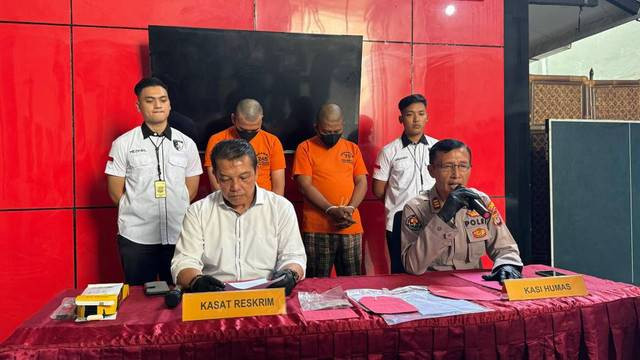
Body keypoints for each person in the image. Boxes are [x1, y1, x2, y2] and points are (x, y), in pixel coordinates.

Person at [171, 139, 305, 295]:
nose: (235, 187)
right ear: (215, 175)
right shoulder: (198, 211)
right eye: (226, 179)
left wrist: (290, 274)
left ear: (256, 171)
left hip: (267, 295)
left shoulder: (281, 208)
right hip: (215, 296)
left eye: (244, 177)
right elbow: (183, 262)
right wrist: (196, 280)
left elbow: (294, 256)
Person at [105, 77, 202, 285]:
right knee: (139, 301)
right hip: (136, 238)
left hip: (178, 235)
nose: (158, 105)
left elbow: (190, 191)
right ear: (138, 106)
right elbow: (115, 193)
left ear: (169, 104)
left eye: (163, 99)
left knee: (181, 296)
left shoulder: (186, 144)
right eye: (150, 100)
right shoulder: (123, 144)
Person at [401, 139, 523, 283]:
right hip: (432, 289)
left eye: (463, 166)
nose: (456, 174)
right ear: (431, 171)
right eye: (447, 166)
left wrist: (507, 265)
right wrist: (443, 216)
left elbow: (506, 248)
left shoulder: (481, 201)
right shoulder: (415, 207)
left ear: (470, 169)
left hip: (474, 287)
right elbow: (413, 266)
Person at [292, 104, 368, 277]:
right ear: (316, 127)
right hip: (317, 227)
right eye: (327, 132)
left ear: (342, 125)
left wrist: (350, 208)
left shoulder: (352, 149)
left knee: (352, 281)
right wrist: (330, 209)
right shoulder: (305, 148)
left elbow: (362, 182)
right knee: (316, 284)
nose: (332, 135)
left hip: (350, 225)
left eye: (337, 130)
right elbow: (304, 185)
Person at [372, 94, 438, 273]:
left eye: (421, 113)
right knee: (401, 272)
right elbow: (378, 190)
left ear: (427, 116)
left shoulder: (438, 148)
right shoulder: (389, 151)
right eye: (410, 114)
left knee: (435, 271)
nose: (416, 119)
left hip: (435, 219)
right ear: (401, 119)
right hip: (399, 222)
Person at [203, 99, 286, 195]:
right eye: (243, 129)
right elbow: (216, 185)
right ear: (233, 119)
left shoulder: (272, 142)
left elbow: (278, 188)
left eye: (255, 130)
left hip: (264, 203)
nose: (249, 134)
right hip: (228, 200)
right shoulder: (217, 140)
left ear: (261, 120)